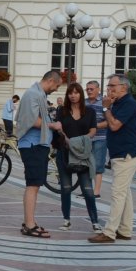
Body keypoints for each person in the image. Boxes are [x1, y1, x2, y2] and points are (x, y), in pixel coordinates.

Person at [89, 73, 136, 244]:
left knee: (118, 193)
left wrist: (105, 108)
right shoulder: (118, 103)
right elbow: (110, 123)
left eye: (112, 86)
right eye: (108, 86)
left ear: (123, 87)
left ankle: (110, 232)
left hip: (126, 153)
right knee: (125, 193)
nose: (108, 89)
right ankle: (125, 230)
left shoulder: (129, 104)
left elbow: (115, 125)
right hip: (120, 153)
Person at [15, 69, 64, 238]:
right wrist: (52, 125)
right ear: (50, 81)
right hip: (32, 145)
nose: (56, 89)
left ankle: (30, 221)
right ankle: (29, 224)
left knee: (35, 185)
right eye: (56, 86)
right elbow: (31, 120)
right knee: (33, 185)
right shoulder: (32, 94)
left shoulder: (39, 94)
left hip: (38, 144)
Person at [49, 82, 100, 232]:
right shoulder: (62, 111)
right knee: (65, 188)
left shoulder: (89, 112)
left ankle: (95, 222)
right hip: (64, 153)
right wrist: (65, 138)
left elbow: (93, 131)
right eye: (70, 93)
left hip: (82, 155)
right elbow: (59, 127)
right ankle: (66, 220)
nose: (73, 95)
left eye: (76, 92)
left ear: (81, 94)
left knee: (87, 190)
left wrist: (78, 141)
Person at [86, 80, 109, 197]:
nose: (89, 91)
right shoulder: (84, 103)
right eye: (87, 89)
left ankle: (97, 191)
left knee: (98, 164)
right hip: (86, 138)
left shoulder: (103, 102)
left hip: (100, 137)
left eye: (91, 89)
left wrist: (94, 127)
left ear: (98, 89)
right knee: (86, 164)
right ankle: (87, 189)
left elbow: (108, 121)